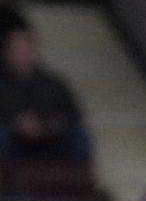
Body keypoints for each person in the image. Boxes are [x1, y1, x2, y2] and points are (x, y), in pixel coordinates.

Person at [0, 24, 89, 162]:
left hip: (50, 138)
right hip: (15, 140)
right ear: (7, 53)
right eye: (18, 49)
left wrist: (54, 124)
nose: (24, 53)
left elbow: (73, 114)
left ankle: (78, 180)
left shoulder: (54, 83)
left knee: (79, 137)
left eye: (27, 48)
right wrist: (17, 124)